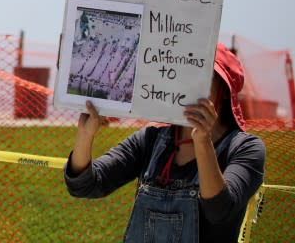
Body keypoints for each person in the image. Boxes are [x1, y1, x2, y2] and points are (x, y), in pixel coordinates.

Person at [64, 43, 265, 242]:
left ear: (223, 90)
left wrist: (203, 142)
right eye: (182, 74)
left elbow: (219, 210)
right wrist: (85, 135)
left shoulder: (245, 149)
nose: (188, 85)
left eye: (201, 76)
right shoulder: (150, 139)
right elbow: (86, 185)